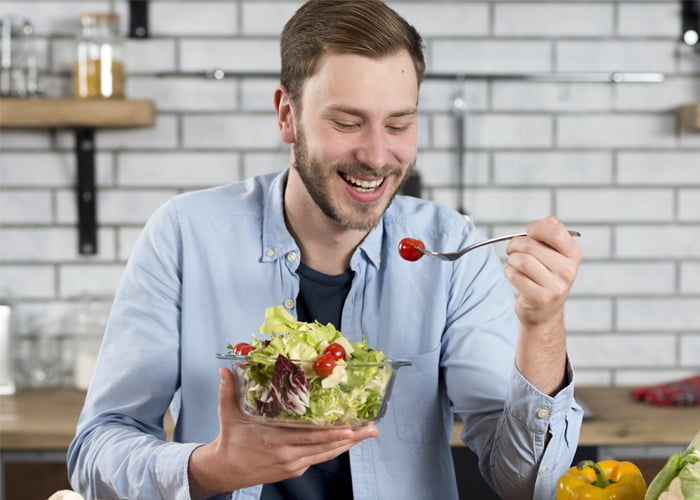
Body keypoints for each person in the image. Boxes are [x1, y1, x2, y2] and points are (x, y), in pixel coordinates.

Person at [67, 1, 583, 499]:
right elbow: (96, 451)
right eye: (347, 123)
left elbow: (525, 484)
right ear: (287, 116)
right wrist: (209, 469)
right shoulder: (185, 235)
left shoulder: (451, 253)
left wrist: (543, 325)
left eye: (399, 124)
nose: (378, 156)